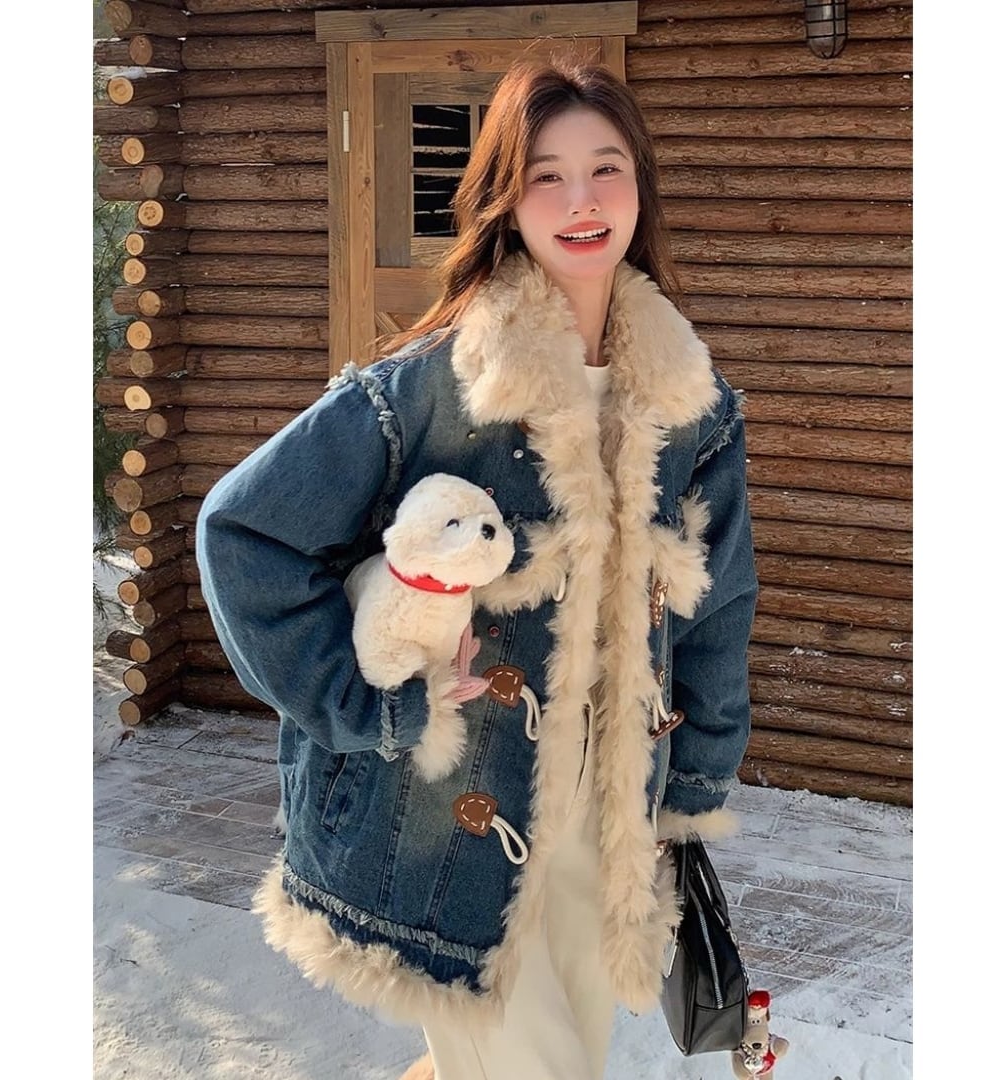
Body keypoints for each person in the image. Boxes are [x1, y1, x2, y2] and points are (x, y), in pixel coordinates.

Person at [196, 57, 758, 1080]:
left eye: (606, 167)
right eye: (547, 175)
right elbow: (244, 533)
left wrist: (691, 786)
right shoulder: (435, 387)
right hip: (445, 821)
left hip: (604, 825)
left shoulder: (693, 406)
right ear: (507, 196)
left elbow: (717, 606)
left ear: (640, 186)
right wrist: (366, 707)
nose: (582, 200)